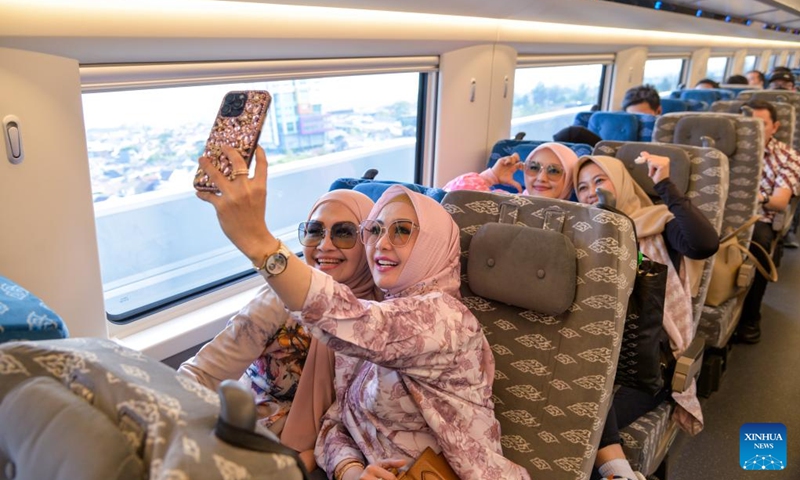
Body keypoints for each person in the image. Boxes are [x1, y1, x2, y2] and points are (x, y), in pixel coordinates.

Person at [196, 145, 530, 480]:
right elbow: (337, 420)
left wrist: (259, 242)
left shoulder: (444, 319)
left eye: (402, 231)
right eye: (375, 230)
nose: (382, 243)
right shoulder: (375, 319)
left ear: (432, 245)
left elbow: (349, 319)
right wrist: (352, 470)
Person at [179, 188, 380, 472]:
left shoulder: (384, 316)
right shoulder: (281, 300)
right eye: (314, 231)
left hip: (321, 453)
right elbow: (202, 373)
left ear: (368, 241)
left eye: (344, 233)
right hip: (249, 436)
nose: (324, 245)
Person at [574, 154, 719, 480]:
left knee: (584, 410)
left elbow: (704, 243)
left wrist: (665, 185)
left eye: (600, 181)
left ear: (622, 183)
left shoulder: (656, 223)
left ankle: (618, 473)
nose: (589, 192)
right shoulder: (581, 234)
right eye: (581, 187)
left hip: (643, 365)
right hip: (592, 356)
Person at [736, 100, 800, 344]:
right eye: (749, 124)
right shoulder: (728, 151)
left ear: (775, 127)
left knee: (759, 242)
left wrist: (754, 196)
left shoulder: (788, 156)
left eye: (761, 125)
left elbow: (780, 201)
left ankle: (751, 317)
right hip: (721, 216)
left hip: (759, 216)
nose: (754, 130)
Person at [442, 142, 579, 199]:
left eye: (554, 171)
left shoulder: (577, 220)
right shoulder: (508, 200)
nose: (541, 178)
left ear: (570, 179)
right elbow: (450, 198)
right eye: (533, 168)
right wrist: (490, 177)